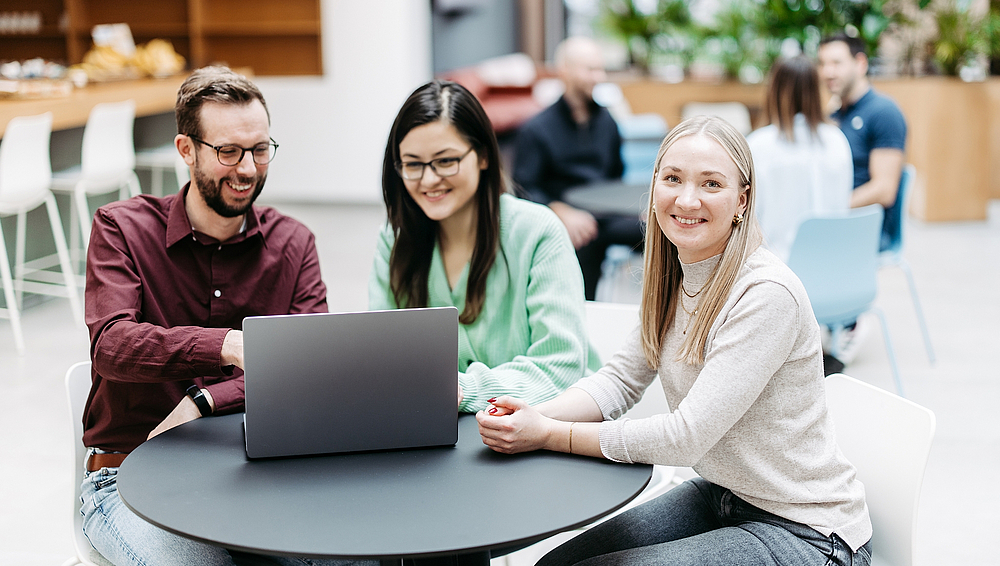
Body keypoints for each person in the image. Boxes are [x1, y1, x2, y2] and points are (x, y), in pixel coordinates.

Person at [477, 116, 872, 566]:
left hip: (808, 532)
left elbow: (685, 438)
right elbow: (619, 381)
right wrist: (532, 416)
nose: (687, 199)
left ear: (742, 200)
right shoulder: (671, 276)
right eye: (672, 178)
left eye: (711, 184)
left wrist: (550, 435)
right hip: (726, 495)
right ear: (654, 188)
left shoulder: (765, 294)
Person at [81, 67, 369, 566]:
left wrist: (206, 398)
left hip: (259, 471)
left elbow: (311, 364)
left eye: (260, 150)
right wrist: (225, 345)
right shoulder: (121, 228)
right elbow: (111, 346)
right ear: (186, 149)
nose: (248, 169)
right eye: (228, 152)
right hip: (131, 473)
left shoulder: (293, 243)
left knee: (357, 558)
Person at [369, 79, 592, 414]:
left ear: (484, 156)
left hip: (545, 430)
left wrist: (463, 389)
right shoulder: (396, 238)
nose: (428, 180)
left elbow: (559, 365)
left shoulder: (537, 232)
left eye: (445, 161)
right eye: (413, 164)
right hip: (442, 436)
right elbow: (381, 358)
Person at [512, 36, 644, 300]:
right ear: (565, 71)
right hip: (565, 215)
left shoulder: (607, 121)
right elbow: (524, 187)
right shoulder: (537, 129)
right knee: (582, 236)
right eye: (590, 69)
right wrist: (561, 212)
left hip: (606, 214)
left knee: (659, 230)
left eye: (600, 69)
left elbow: (617, 174)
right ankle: (583, 314)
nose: (599, 77)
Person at [748, 55, 853, 261]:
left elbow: (748, 220)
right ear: (816, 91)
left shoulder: (758, 144)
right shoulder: (837, 140)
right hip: (836, 264)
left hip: (777, 269)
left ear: (774, 91)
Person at [818, 33, 906, 251]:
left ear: (860, 64)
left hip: (865, 228)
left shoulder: (884, 112)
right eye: (822, 64)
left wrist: (828, 208)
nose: (828, 72)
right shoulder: (835, 113)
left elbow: (884, 190)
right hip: (836, 221)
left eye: (837, 63)